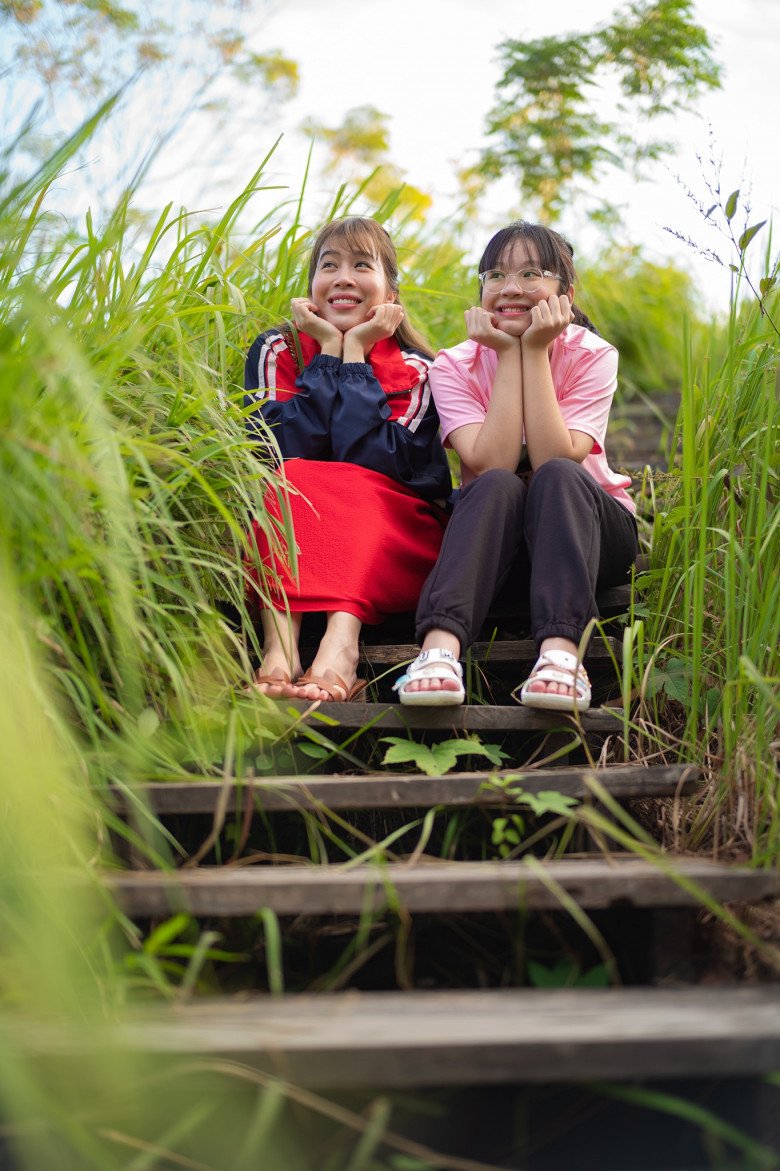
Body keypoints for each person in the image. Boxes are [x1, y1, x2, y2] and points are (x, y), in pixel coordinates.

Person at [393, 221, 639, 711]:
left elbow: (554, 456)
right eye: (495, 276)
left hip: (588, 534)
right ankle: (439, 651)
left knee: (559, 474)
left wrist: (534, 350)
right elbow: (490, 463)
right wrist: (510, 353)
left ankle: (562, 656)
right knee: (496, 483)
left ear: (565, 293)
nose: (510, 289)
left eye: (532, 274)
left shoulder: (592, 355)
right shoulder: (453, 366)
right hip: (496, 539)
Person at [244, 216, 452, 702]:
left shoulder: (418, 368)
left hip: (393, 528)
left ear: (390, 293)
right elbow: (281, 448)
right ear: (312, 286)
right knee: (291, 476)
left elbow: (375, 461)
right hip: (293, 507)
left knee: (353, 483)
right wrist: (327, 358)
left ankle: (341, 648)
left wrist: (355, 353)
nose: (342, 277)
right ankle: (280, 651)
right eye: (328, 264)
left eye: (362, 265)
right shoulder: (280, 348)